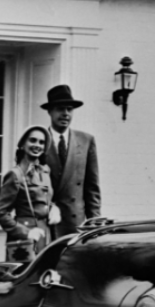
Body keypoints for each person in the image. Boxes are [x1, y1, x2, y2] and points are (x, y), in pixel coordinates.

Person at [42, 84, 101, 237]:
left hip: (75, 224)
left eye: (69, 109)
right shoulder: (37, 142)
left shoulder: (86, 140)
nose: (65, 114)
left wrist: (95, 223)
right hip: (45, 222)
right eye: (60, 109)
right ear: (49, 111)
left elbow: (92, 188)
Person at [0, 125, 59, 261]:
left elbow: (44, 200)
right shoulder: (15, 175)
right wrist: (26, 233)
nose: (37, 145)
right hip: (26, 241)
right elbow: (1, 213)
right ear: (23, 145)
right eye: (33, 140)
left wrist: (54, 208)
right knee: (25, 278)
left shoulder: (45, 172)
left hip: (47, 236)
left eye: (41, 142)